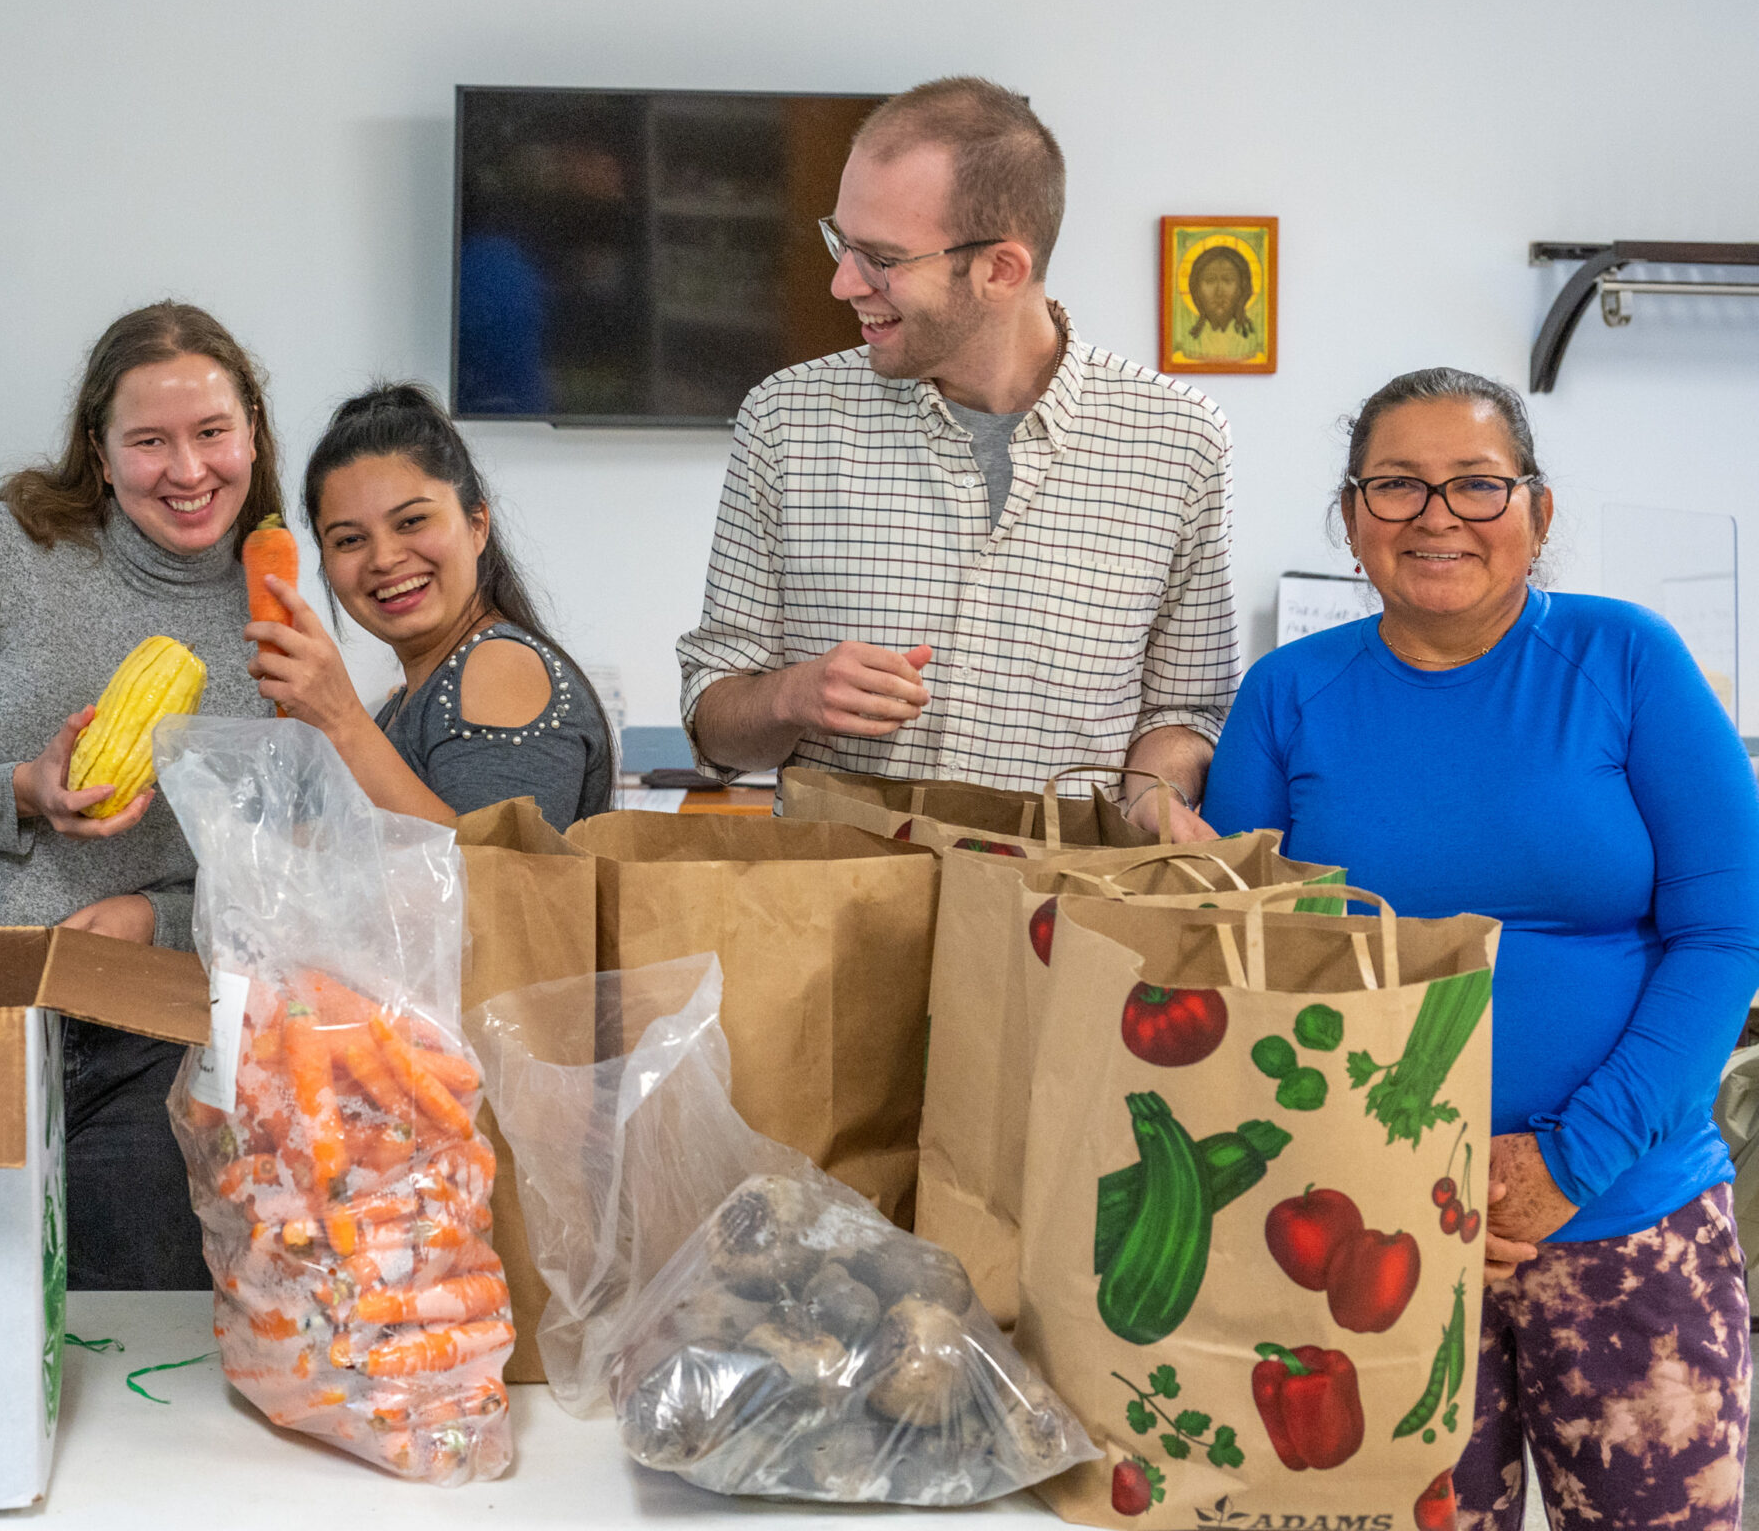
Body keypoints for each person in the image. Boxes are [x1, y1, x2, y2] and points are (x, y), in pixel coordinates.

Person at [1205, 368, 1755, 1529]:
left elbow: (1724, 933)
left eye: (1475, 484)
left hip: (1627, 1218)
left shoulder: (1626, 661)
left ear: (1536, 514)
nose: (1436, 516)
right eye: (1395, 486)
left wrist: (1564, 1164)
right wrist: (1417, 1188)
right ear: (1351, 520)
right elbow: (1240, 968)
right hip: (1366, 1240)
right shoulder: (1284, 696)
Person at [0, 300, 284, 1291]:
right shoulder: (5, 552)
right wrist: (21, 790)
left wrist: (149, 918)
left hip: (143, 1028)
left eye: (212, 432)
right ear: (99, 449)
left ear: (252, 427)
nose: (188, 469)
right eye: (149, 441)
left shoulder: (276, 607)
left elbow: (270, 872)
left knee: (136, 1321)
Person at [676, 77, 1235, 839]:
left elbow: (1181, 712)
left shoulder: (1181, 439)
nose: (843, 282)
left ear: (1001, 269)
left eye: (881, 258)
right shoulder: (786, 419)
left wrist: (1156, 796)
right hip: (831, 921)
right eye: (842, 241)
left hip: (1064, 926)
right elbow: (714, 721)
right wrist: (793, 696)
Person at [245, 383, 611, 828]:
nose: (384, 559)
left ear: (477, 525)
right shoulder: (406, 700)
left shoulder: (498, 666)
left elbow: (494, 880)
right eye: (350, 540)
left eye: (412, 521)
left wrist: (341, 721)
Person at [1178, 242, 1261, 362]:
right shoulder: (1185, 341)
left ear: (1242, 288)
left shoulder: (1252, 341)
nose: (1219, 292)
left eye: (1228, 280)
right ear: (1196, 289)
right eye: (1210, 280)